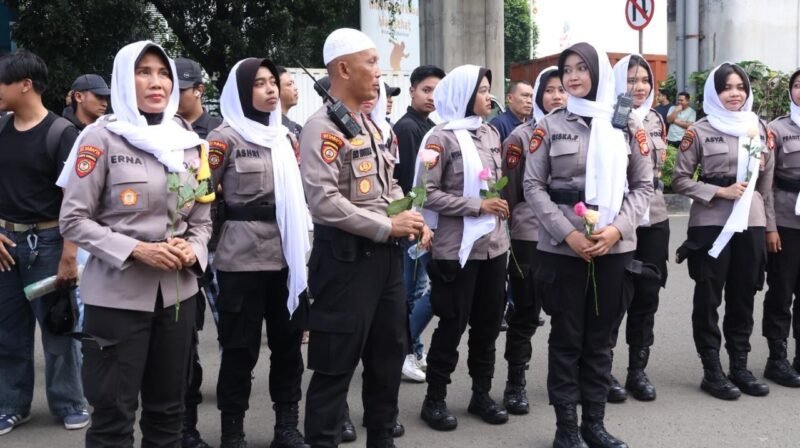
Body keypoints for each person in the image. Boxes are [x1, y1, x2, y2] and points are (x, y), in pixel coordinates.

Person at [58, 40, 213, 447]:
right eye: (143, 72)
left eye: (163, 73)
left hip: (178, 295)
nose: (156, 82)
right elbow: (72, 219)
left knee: (169, 413)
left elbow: (201, 220)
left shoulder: (190, 142)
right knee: (113, 417)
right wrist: (135, 249)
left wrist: (192, 250)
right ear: (124, 81)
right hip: (116, 301)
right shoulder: (100, 138)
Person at [300, 28, 431, 448]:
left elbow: (386, 185)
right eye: (371, 63)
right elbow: (323, 200)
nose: (379, 72)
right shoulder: (322, 127)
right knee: (335, 368)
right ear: (342, 68)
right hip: (344, 264)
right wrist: (384, 226)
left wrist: (408, 215)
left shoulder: (372, 126)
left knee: (386, 361)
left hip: (386, 263)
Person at [524, 42, 653, 448]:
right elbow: (533, 186)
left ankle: (593, 424)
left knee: (600, 339)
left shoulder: (627, 125)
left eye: (582, 68)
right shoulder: (549, 126)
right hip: (563, 249)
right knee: (566, 338)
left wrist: (616, 230)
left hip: (613, 248)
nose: (573, 76)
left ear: (599, 72)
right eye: (567, 69)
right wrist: (569, 234)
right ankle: (566, 429)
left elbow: (645, 185)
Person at [209, 57, 310, 448]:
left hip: (287, 257)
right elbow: (200, 198)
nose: (270, 89)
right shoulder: (224, 138)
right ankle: (232, 431)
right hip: (241, 259)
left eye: (273, 82)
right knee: (239, 350)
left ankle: (286, 426)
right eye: (260, 84)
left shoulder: (286, 136)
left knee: (288, 348)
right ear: (240, 91)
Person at [417, 64, 510, 432]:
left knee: (487, 325)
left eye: (489, 89)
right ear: (464, 95)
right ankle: (434, 399)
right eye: (483, 89)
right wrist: (477, 206)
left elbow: (493, 185)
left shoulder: (489, 134)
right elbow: (426, 193)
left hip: (493, 246)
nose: (489, 95)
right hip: (455, 249)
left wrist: (494, 203)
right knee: (452, 324)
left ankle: (481, 394)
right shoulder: (439, 139)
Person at [672, 62, 773, 401]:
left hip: (752, 220)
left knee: (745, 294)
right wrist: (718, 192)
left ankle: (740, 366)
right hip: (711, 222)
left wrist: (769, 225)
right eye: (727, 88)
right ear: (715, 93)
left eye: (740, 87)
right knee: (709, 296)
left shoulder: (758, 127)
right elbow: (680, 179)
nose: (734, 93)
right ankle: (712, 369)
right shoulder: (699, 130)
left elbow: (766, 185)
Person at [0, 50, 88, 436]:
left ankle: (69, 401)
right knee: (7, 331)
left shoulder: (61, 133)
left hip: (50, 242)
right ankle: (10, 404)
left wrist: (70, 254)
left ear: (25, 84)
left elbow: (76, 199)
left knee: (59, 330)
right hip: (5, 243)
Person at [500, 66, 566, 416]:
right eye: (550, 90)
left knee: (568, 313)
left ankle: (566, 383)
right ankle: (515, 383)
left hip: (569, 234)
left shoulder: (579, 132)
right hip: (529, 235)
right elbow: (509, 193)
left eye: (562, 90)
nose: (557, 96)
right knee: (526, 311)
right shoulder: (521, 138)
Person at [607, 54, 670, 404]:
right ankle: (604, 370)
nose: (639, 86)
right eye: (631, 80)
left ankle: (637, 370)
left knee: (648, 295)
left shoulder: (657, 120)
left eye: (644, 80)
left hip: (655, 217)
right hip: (621, 219)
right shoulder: (611, 119)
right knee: (616, 297)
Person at [174, 55, 222, 448]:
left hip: (218, 248)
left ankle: (230, 404)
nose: (174, 94)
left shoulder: (216, 132)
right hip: (179, 253)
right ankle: (185, 421)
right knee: (184, 338)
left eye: (182, 88)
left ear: (199, 91)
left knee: (233, 335)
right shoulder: (156, 133)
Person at [392, 64, 446, 384]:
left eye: (437, 92)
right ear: (411, 90)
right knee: (414, 291)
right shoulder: (410, 129)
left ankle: (412, 348)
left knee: (417, 288)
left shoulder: (428, 125)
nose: (431, 97)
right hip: (413, 221)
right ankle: (406, 352)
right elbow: (412, 184)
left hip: (419, 220)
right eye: (426, 90)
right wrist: (419, 224)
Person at [762, 68, 800, 388]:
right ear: (791, 91)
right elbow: (767, 184)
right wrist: (770, 227)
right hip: (786, 222)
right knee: (781, 290)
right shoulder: (776, 129)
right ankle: (777, 358)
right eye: (799, 86)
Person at [276, 65, 303, 139]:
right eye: (289, 84)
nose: (295, 88)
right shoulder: (271, 128)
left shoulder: (297, 129)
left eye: (293, 83)